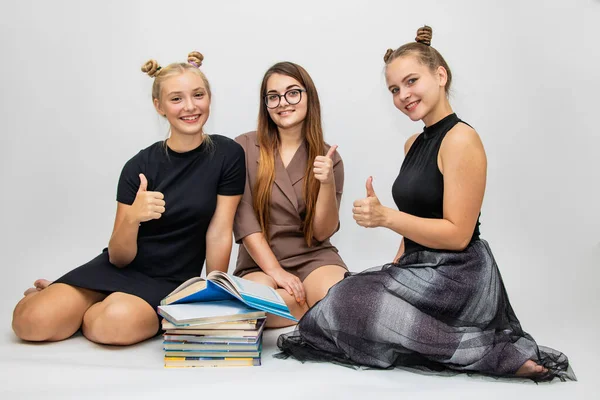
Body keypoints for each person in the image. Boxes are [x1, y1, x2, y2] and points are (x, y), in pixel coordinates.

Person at [276, 27, 576, 381]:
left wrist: (387, 217)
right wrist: (393, 272)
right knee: (344, 298)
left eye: (411, 81)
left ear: (440, 75)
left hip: (457, 274)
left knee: (351, 305)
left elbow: (458, 235)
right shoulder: (412, 144)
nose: (403, 95)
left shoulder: (461, 139)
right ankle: (442, 340)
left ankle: (489, 352)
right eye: (394, 89)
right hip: (420, 267)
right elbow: (415, 221)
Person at [12, 52, 245, 346]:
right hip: (116, 270)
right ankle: (72, 299)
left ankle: (81, 306)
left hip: (170, 282)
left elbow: (220, 230)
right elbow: (119, 256)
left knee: (112, 326)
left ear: (208, 98)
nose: (190, 106)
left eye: (198, 95)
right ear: (158, 106)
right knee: (29, 323)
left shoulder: (228, 155)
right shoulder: (139, 166)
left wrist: (212, 293)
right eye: (176, 99)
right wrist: (133, 217)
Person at [233, 62, 347, 327]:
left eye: (293, 92)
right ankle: (310, 308)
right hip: (260, 261)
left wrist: (327, 183)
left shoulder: (330, 156)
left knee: (340, 299)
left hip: (313, 258)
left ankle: (306, 305)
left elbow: (322, 232)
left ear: (309, 96)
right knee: (253, 308)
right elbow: (244, 219)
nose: (283, 102)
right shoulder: (244, 146)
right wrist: (277, 272)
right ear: (266, 105)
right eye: (273, 97)